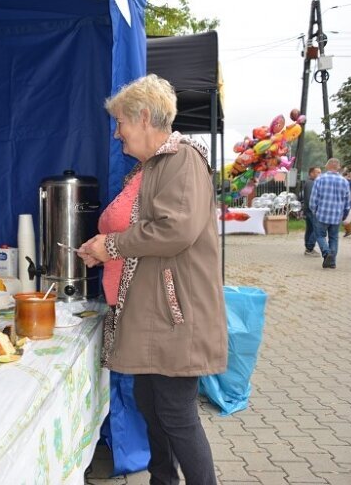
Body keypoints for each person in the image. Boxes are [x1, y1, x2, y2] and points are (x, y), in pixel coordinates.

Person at [78, 74, 227, 484]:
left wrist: (109, 247)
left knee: (176, 415)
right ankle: (163, 480)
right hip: (152, 316)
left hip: (176, 317)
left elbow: (173, 230)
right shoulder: (150, 167)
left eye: (121, 122)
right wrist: (103, 247)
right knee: (149, 404)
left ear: (144, 117)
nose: (116, 132)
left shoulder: (182, 159)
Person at [309, 158, 351, 269]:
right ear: (338, 167)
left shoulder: (320, 179)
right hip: (337, 215)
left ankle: (326, 252)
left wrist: (314, 210)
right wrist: (345, 213)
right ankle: (331, 262)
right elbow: (348, 201)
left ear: (327, 166)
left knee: (320, 235)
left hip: (322, 214)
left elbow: (314, 198)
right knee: (334, 238)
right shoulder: (344, 181)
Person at [303, 166, 322, 256]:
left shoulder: (310, 182)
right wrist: (314, 209)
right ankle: (310, 248)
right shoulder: (311, 183)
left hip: (309, 209)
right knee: (317, 229)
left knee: (310, 229)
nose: (319, 174)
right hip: (312, 210)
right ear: (311, 173)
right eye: (317, 172)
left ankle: (308, 248)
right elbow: (310, 198)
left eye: (320, 172)